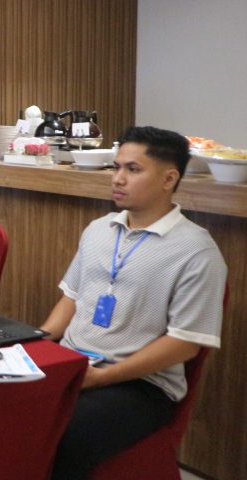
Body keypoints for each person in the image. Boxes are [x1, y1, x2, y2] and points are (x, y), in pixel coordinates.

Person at [41, 126, 226, 480]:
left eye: (133, 169)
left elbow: (185, 343)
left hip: (140, 385)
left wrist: (101, 378)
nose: (118, 178)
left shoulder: (196, 251)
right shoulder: (98, 229)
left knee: (65, 434)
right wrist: (37, 341)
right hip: (75, 364)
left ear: (169, 178)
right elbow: (72, 298)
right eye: (116, 167)